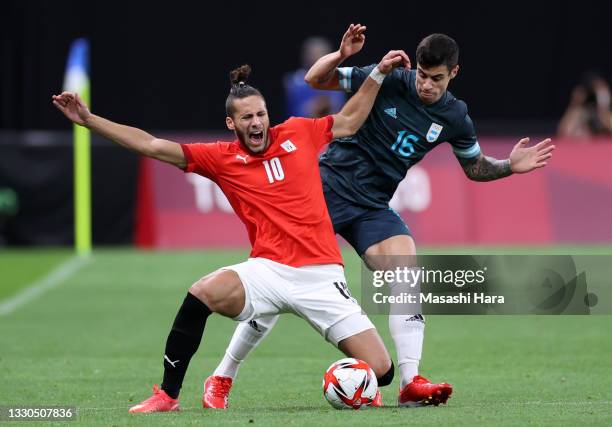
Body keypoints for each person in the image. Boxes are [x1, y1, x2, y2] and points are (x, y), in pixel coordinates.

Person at [204, 24, 555, 408]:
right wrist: (342, 55)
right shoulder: (392, 78)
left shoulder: (456, 117)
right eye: (422, 75)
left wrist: (508, 166)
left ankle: (410, 382)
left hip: (371, 206)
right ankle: (222, 376)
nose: (425, 85)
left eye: (436, 79)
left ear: (453, 74)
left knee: (406, 268)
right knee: (280, 280)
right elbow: (315, 78)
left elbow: (474, 167)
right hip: (323, 191)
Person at [52, 50, 409, 413]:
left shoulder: (299, 132)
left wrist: (378, 72)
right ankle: (168, 395)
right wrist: (89, 120)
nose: (256, 123)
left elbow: (348, 120)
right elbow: (151, 145)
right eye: (247, 117)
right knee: (201, 293)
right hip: (267, 270)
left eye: (261, 114)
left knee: (381, 371)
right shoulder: (220, 158)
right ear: (231, 123)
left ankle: (348, 381)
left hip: (321, 275)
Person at [283, 36, 346, 118]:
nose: (315, 57)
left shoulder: (338, 80)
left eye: (320, 53)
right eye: (311, 53)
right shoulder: (292, 81)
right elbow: (294, 111)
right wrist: (314, 107)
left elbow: (338, 110)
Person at [558, 71, 612, 137]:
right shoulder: (581, 107)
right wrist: (575, 103)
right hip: (584, 119)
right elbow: (563, 131)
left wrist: (602, 96)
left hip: (601, 116)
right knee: (577, 114)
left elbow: (605, 113)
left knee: (606, 116)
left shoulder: (602, 94)